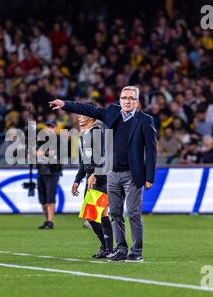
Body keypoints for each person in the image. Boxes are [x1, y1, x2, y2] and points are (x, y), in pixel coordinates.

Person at [49, 86, 157, 262]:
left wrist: (149, 176)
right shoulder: (113, 112)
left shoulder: (146, 121)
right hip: (112, 173)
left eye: (131, 98)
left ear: (137, 101)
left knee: (134, 213)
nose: (127, 101)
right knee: (114, 213)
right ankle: (121, 250)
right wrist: (64, 104)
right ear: (120, 99)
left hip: (133, 175)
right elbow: (89, 109)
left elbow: (151, 151)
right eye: (124, 98)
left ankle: (136, 251)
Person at [72, 114, 113, 258]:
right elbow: (85, 162)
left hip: (101, 178)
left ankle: (109, 247)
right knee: (94, 215)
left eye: (82, 115)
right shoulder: (84, 135)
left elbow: (104, 155)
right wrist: (78, 179)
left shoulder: (97, 133)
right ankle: (107, 247)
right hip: (91, 178)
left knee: (98, 214)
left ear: (90, 118)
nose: (78, 118)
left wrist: (95, 173)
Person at [37, 120, 62, 229]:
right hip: (42, 171)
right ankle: (46, 220)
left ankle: (50, 221)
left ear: (56, 128)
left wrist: (43, 152)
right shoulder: (42, 140)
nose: (49, 129)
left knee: (50, 197)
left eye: (51, 127)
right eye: (48, 127)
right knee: (42, 199)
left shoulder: (60, 140)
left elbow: (58, 157)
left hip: (52, 172)